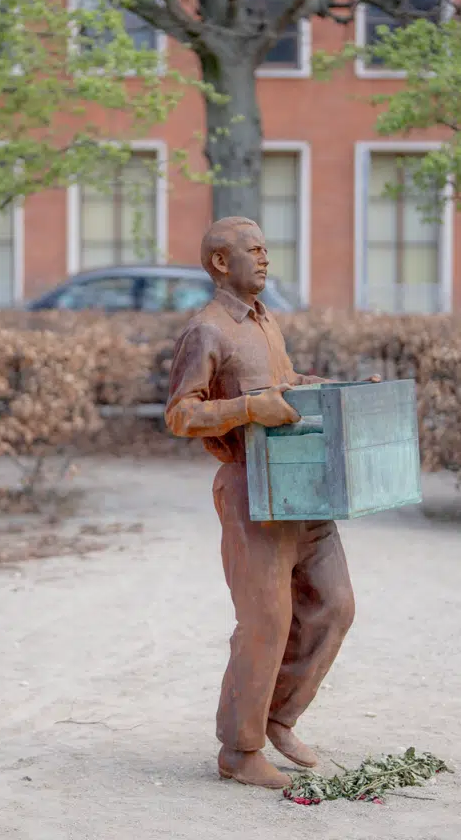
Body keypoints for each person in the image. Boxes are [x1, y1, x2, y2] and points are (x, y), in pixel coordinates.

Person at [165, 217, 375, 791]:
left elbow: (278, 383)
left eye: (265, 249)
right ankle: (240, 748)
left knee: (335, 604)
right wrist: (249, 410)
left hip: (303, 484)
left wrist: (333, 387)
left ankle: (278, 718)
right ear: (218, 263)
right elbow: (181, 414)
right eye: (252, 251)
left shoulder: (264, 320)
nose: (264, 259)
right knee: (265, 621)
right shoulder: (206, 331)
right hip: (250, 488)